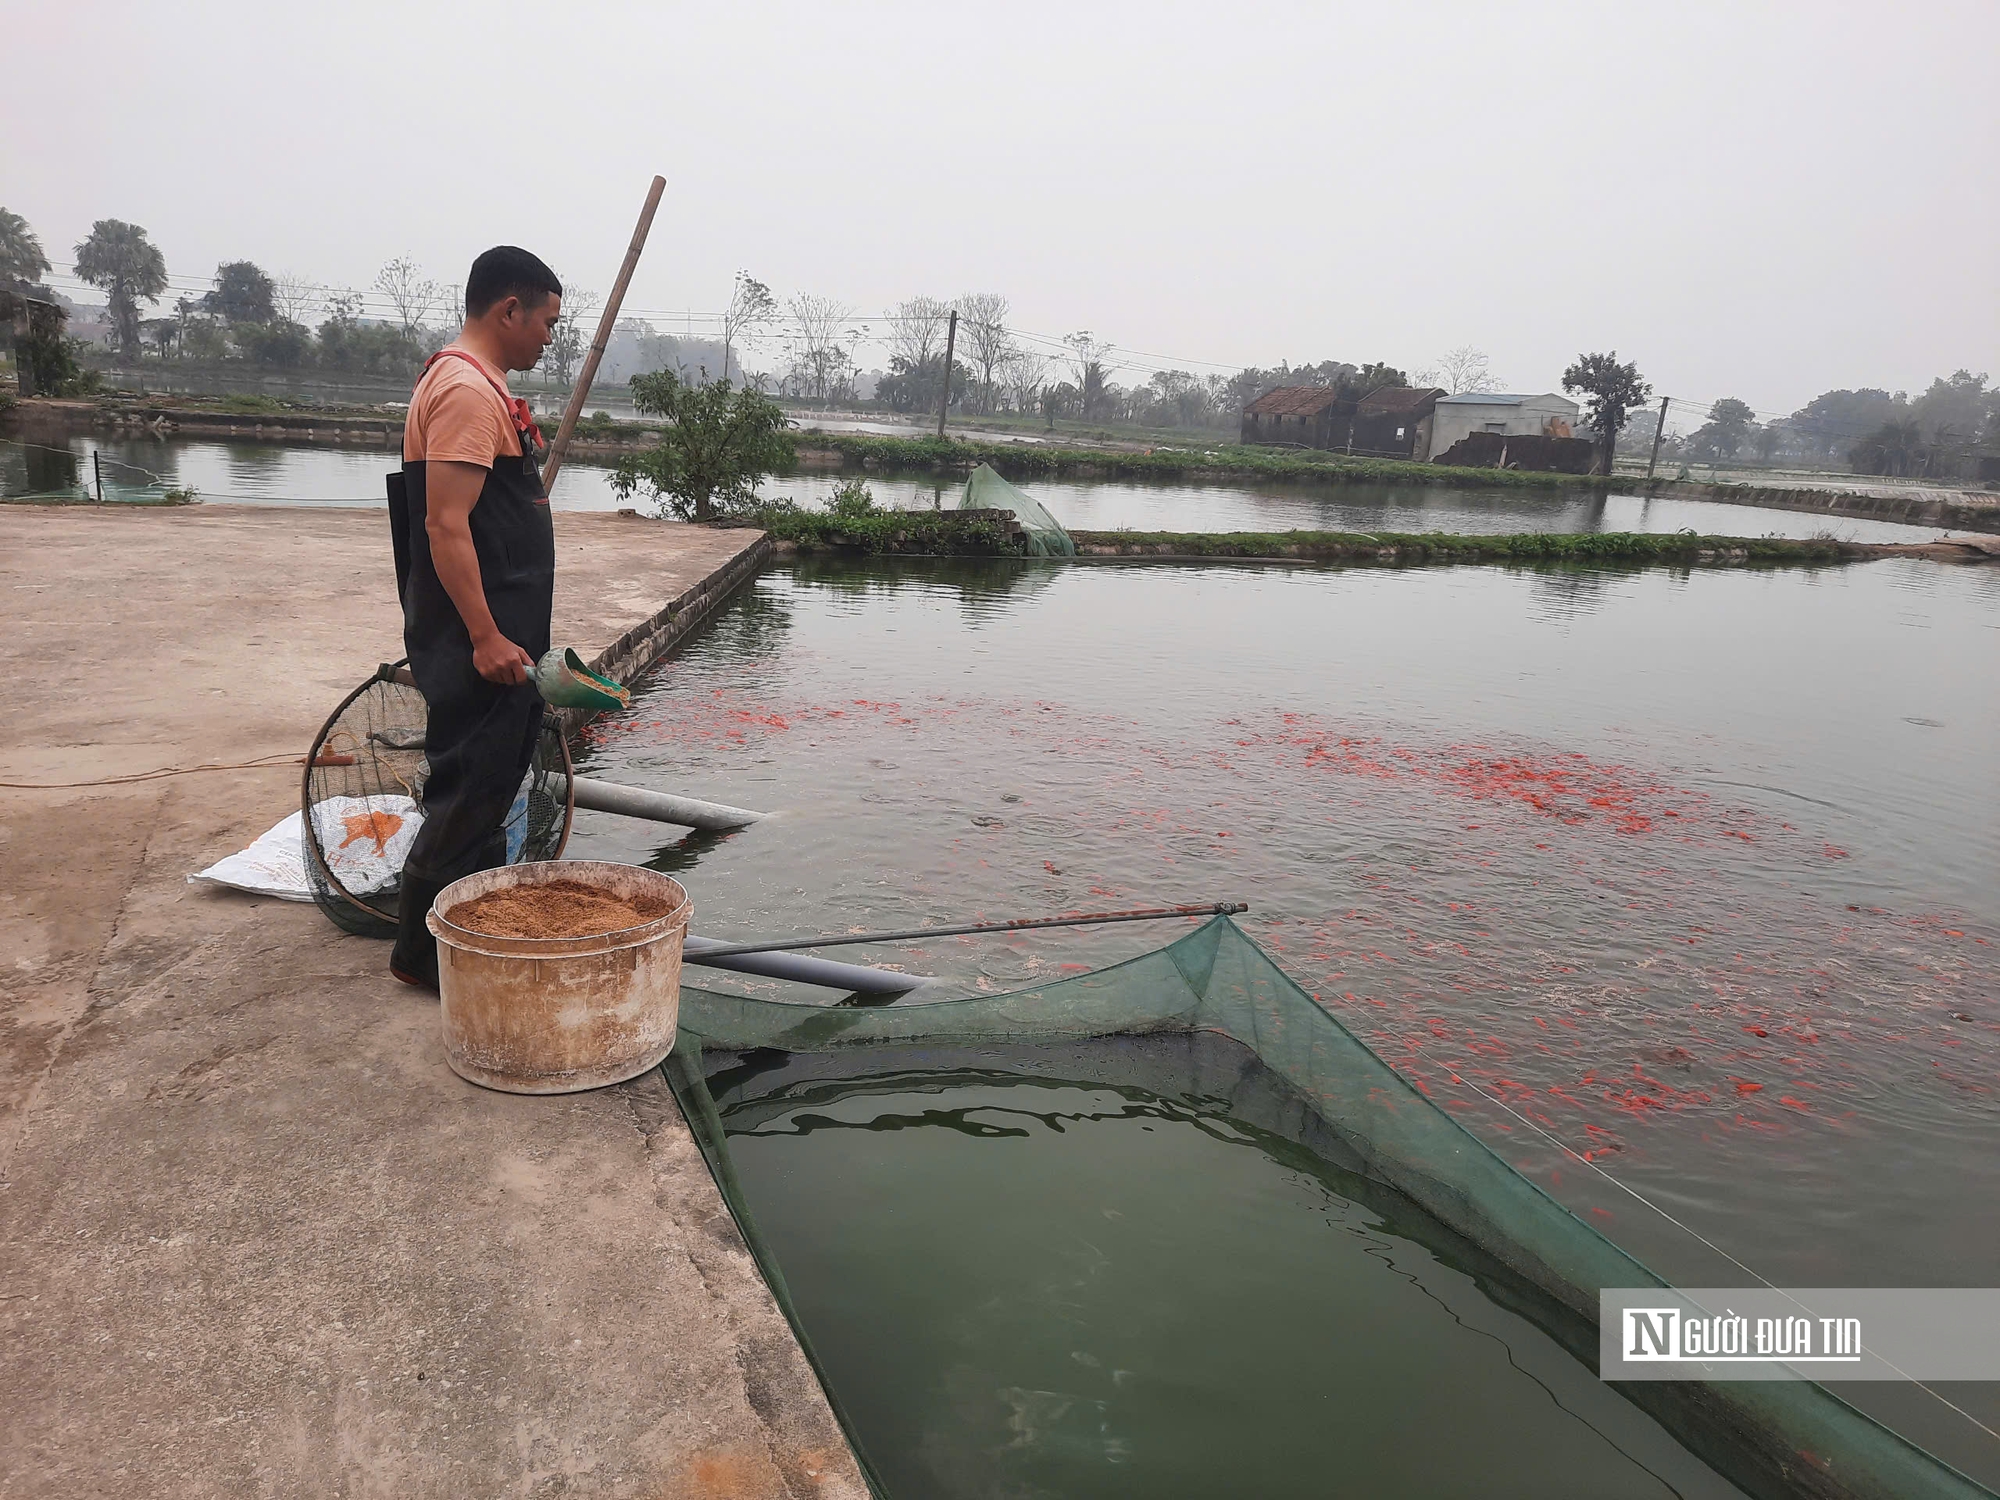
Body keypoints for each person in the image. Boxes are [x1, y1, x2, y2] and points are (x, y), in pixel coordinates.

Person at [386, 246, 563, 989]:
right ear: (509, 310)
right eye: (547, 322)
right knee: (471, 790)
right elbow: (445, 525)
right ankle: (422, 958)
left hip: (501, 629)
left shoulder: (481, 385)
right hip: (479, 635)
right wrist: (486, 636)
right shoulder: (464, 390)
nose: (549, 339)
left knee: (488, 787)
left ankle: (459, 944)